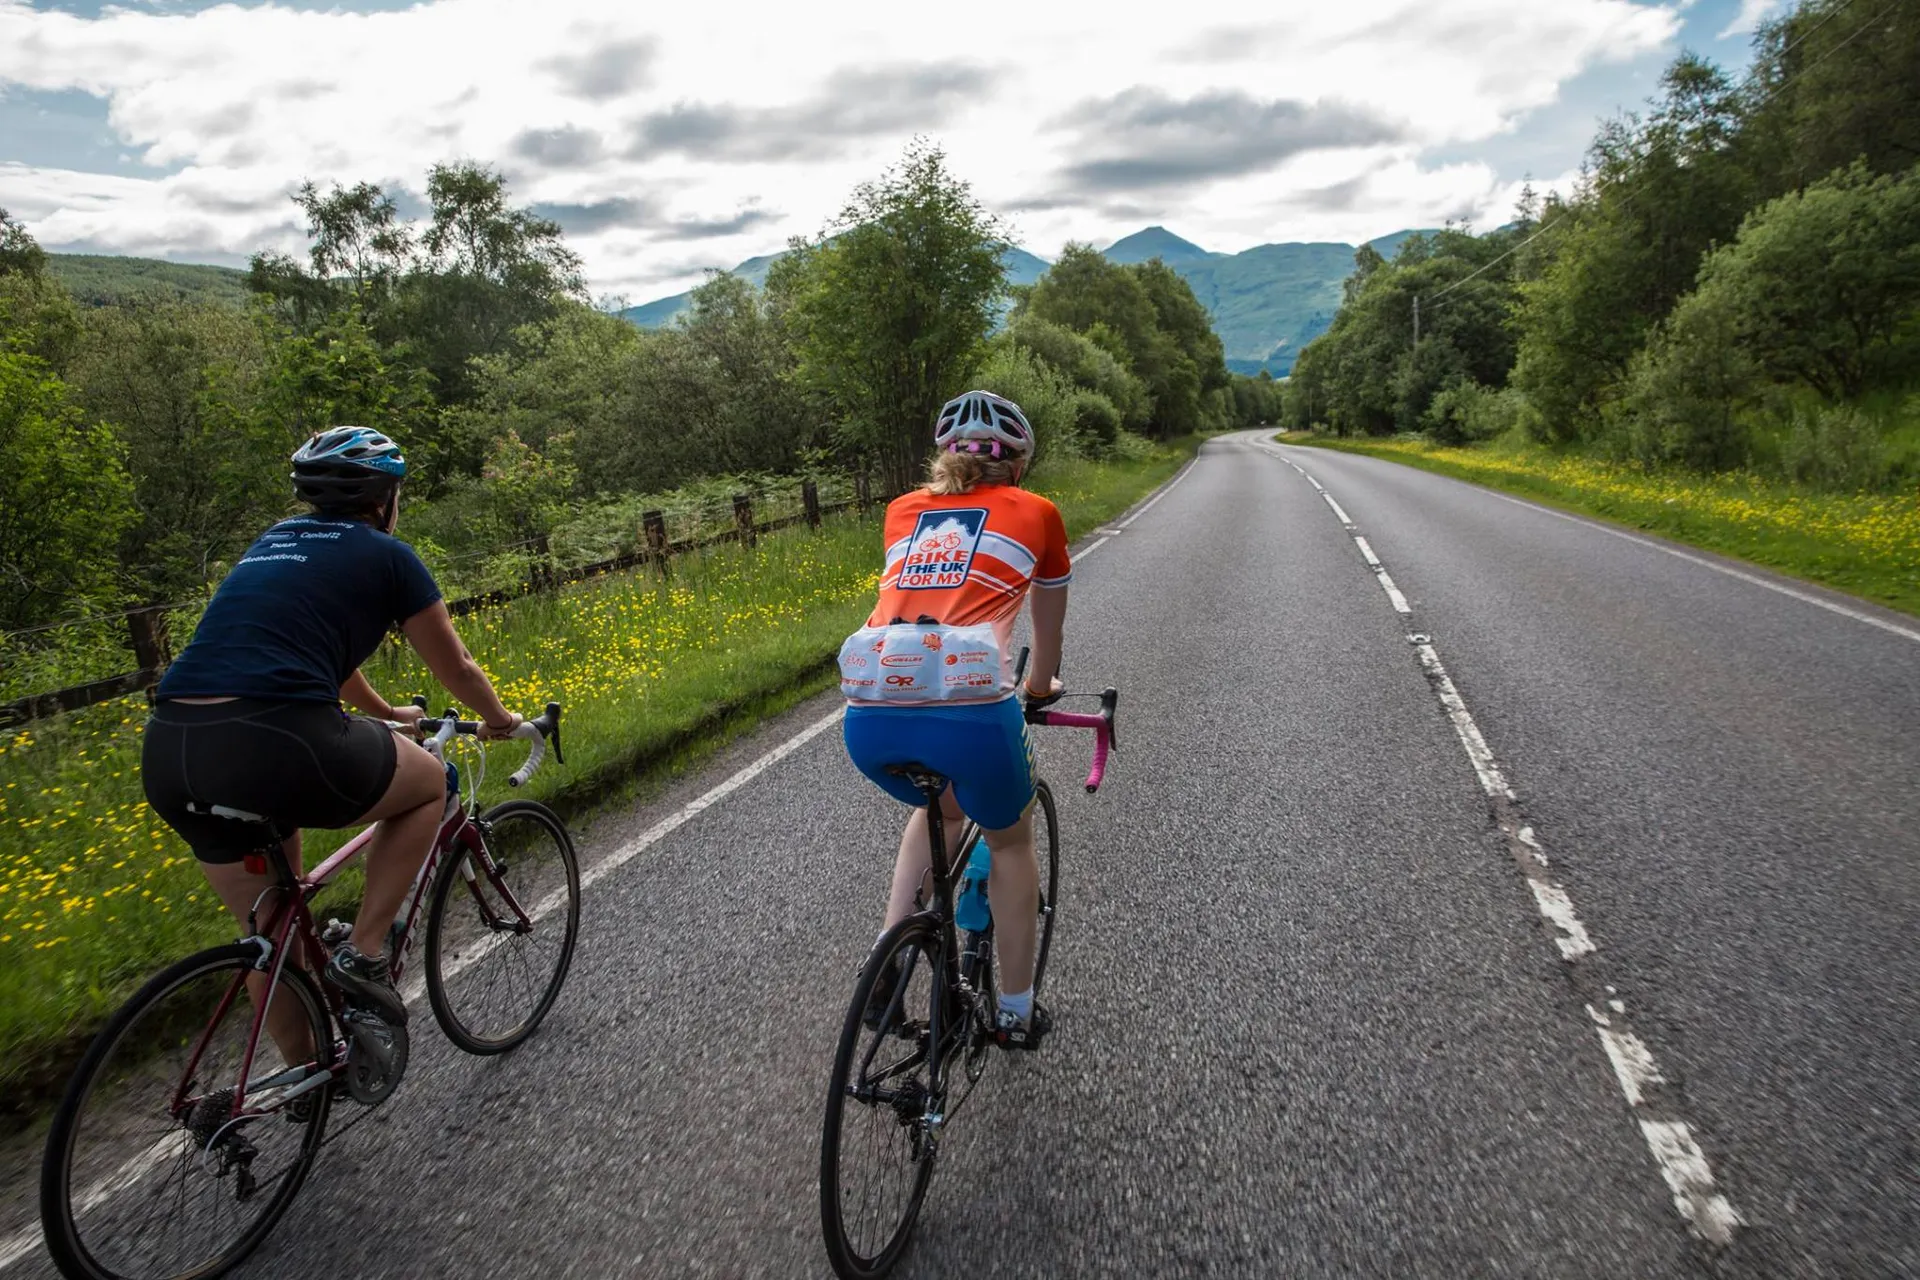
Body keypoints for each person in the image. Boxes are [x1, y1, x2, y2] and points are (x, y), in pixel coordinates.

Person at [142, 426, 523, 1062]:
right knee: (430, 782)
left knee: (270, 928)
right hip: (274, 738)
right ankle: (367, 953)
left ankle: (304, 1080)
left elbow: (322, 654)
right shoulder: (387, 556)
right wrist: (502, 719)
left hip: (172, 748)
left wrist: (384, 713)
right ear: (385, 498)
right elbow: (454, 667)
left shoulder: (271, 545)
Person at [838, 390, 1071, 1049]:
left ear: (945, 455)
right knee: (1011, 842)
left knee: (937, 809)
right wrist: (1041, 683)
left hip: (870, 713)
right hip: (972, 712)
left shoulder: (902, 510)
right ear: (1018, 465)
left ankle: (889, 957)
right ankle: (1017, 1013)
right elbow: (1047, 639)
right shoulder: (1038, 513)